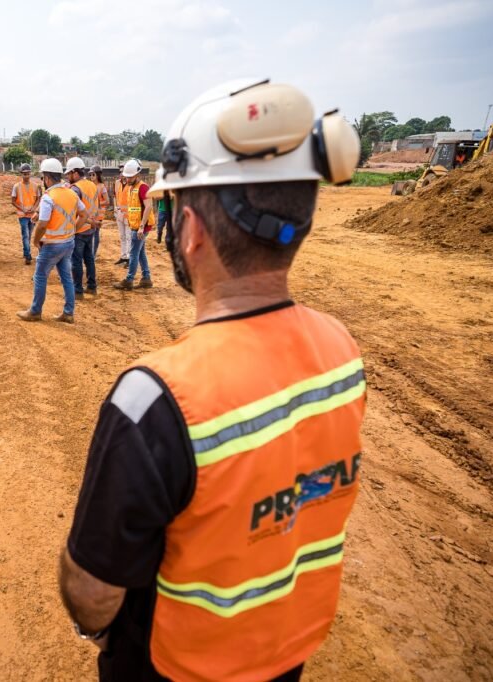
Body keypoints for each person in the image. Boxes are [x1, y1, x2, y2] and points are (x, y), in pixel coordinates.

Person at [58, 79, 364, 682]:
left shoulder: (155, 397)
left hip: (178, 666)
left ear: (190, 228)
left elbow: (94, 592)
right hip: (286, 653)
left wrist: (96, 629)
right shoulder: (339, 347)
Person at [16, 158, 89, 324]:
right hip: (68, 242)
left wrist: (35, 241)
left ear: (47, 178)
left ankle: (35, 311)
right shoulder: (71, 193)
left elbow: (42, 224)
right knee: (66, 278)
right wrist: (72, 231)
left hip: (51, 245)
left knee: (40, 276)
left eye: (43, 177)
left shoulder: (48, 197)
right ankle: (68, 312)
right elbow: (84, 215)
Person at [113, 160, 154, 291]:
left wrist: (141, 226)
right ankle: (146, 278)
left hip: (141, 227)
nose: (128, 179)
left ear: (137, 175)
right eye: (127, 176)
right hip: (135, 225)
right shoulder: (132, 188)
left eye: (130, 176)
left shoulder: (143, 187)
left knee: (133, 252)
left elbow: (148, 206)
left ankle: (129, 280)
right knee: (140, 252)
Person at [64, 158, 100, 299]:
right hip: (90, 228)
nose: (68, 177)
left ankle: (77, 291)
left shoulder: (75, 189)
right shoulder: (92, 185)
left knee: (76, 261)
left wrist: (72, 229)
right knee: (89, 258)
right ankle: (92, 286)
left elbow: (73, 210)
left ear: (75, 172)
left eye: (69, 174)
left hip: (79, 229)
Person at [11, 163, 42, 265]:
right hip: (22, 215)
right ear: (21, 174)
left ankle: (25, 252)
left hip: (32, 215)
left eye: (28, 173)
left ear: (30, 173)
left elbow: (38, 198)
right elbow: (13, 201)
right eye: (24, 174)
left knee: (28, 235)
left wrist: (34, 208)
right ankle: (28, 256)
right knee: (25, 235)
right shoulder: (17, 186)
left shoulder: (35, 186)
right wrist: (22, 209)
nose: (26, 176)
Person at [89, 165, 108, 258]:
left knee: (95, 233)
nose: (91, 177)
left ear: (98, 175)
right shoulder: (90, 186)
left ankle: (93, 254)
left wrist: (97, 203)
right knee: (90, 233)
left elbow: (107, 201)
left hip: (99, 214)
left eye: (93, 174)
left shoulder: (102, 187)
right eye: (90, 175)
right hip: (91, 214)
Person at [113, 171, 131, 265]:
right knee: (122, 236)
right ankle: (123, 256)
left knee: (128, 237)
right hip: (119, 214)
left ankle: (129, 258)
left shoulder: (131, 185)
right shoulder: (118, 184)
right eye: (120, 172)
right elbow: (115, 197)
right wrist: (116, 209)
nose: (122, 175)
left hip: (128, 215)